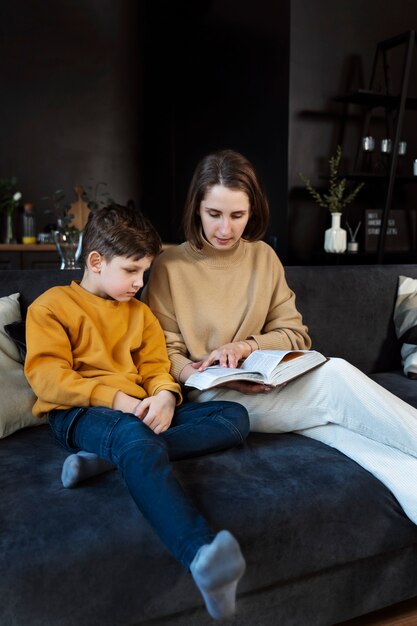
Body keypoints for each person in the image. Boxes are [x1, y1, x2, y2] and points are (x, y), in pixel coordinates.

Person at [142, 148, 417, 525]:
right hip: (213, 396)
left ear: (252, 210)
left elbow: (295, 334)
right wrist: (208, 374)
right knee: (335, 383)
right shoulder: (169, 267)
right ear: (196, 209)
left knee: (337, 429)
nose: (226, 229)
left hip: (268, 381)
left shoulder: (263, 258)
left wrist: (248, 346)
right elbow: (161, 352)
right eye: (214, 214)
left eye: (238, 215)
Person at [24, 204, 250, 621]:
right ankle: (200, 554)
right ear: (95, 261)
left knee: (234, 418)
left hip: (139, 410)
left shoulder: (140, 314)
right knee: (134, 438)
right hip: (80, 413)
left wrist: (164, 395)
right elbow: (49, 378)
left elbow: (155, 368)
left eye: (144, 272)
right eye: (132, 271)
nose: (139, 282)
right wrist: (120, 402)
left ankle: (108, 463)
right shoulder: (51, 306)